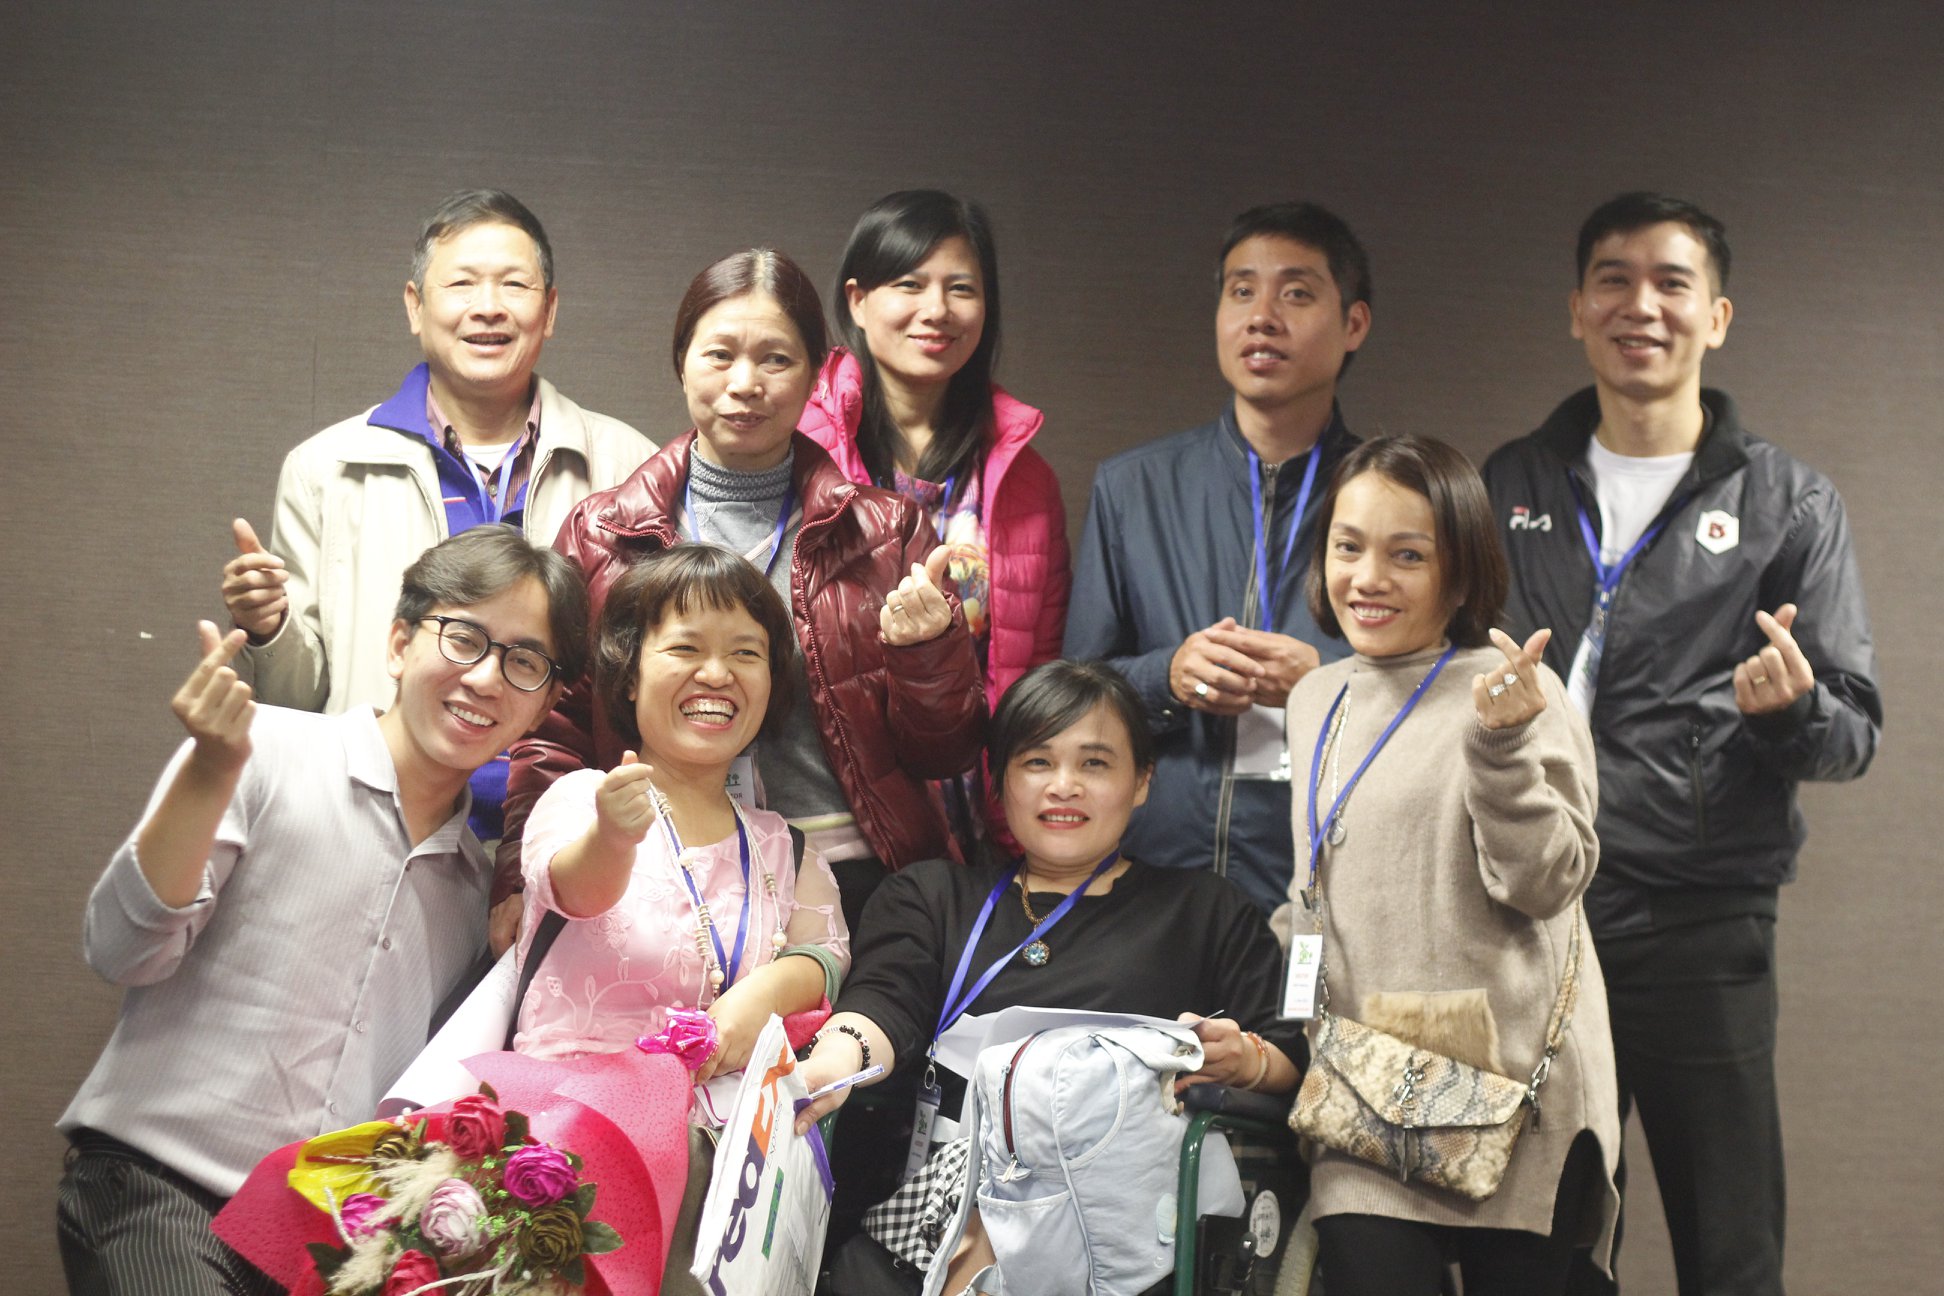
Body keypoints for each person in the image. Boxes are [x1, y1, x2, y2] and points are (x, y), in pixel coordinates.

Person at [1480, 192, 1881, 1296]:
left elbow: (1852, 730)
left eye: (1671, 283)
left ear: (1718, 316)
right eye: (1613, 280)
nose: (1640, 305)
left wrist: (1788, 709)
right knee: (1540, 1249)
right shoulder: (1511, 481)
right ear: (1577, 308)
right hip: (1533, 919)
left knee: (1729, 1247)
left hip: (1699, 920)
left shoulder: (1788, 502)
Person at [57, 525, 587, 1296]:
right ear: (399, 642)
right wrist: (208, 775)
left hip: (315, 1249)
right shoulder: (258, 749)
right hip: (154, 1193)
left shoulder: (474, 892)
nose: (485, 678)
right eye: (464, 638)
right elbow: (120, 950)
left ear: (544, 707)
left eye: (524, 661)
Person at [498, 247, 986, 943]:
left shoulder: (886, 531)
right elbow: (553, 731)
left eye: (776, 359)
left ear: (816, 374)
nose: (746, 383)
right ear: (682, 362)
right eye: (720, 355)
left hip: (854, 873)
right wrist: (519, 878)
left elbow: (948, 752)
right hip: (662, 878)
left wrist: (926, 655)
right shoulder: (603, 533)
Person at [794, 659, 1303, 1292]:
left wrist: (1245, 1060)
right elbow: (883, 1001)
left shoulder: (1204, 911)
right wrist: (834, 1060)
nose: (1064, 786)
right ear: (999, 781)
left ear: (1142, 780)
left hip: (1124, 1233)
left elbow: (1292, 1058)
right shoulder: (932, 897)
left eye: (1095, 763)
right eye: (1037, 762)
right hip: (938, 1207)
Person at [217, 187, 650, 855]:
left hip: (567, 840)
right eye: (462, 283)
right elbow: (296, 701)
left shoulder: (628, 465)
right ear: (416, 306)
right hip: (378, 827)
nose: (488, 306)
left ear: (550, 310)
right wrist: (267, 628)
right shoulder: (327, 467)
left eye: (514, 284)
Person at [1283, 434, 1618, 1292]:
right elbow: (1314, 892)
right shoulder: (1315, 697)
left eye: (1407, 555)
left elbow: (1548, 882)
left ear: (1461, 575)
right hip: (1363, 1097)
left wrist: (1501, 745)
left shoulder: (1513, 691)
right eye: (1348, 547)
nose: (1368, 578)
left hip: (1511, 1102)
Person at [1064, 201, 1372, 911]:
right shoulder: (1135, 486)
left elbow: (1439, 694)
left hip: (1330, 879)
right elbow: (1076, 693)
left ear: (1354, 323)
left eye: (1296, 293)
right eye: (1241, 291)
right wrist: (1168, 677)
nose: (1261, 317)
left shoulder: (1393, 498)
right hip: (1157, 881)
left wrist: (1322, 683)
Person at [800, 189, 1070, 846]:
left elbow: (1039, 670)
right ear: (857, 300)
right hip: (840, 818)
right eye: (909, 284)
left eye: (961, 289)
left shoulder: (1025, 478)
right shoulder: (802, 448)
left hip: (980, 815)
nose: (938, 310)